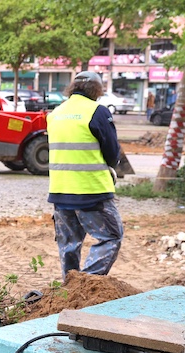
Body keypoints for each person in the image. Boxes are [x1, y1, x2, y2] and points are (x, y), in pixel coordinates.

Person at [45, 71, 124, 279]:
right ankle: (86, 283)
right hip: (92, 191)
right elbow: (112, 154)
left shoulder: (55, 114)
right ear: (97, 90)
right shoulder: (97, 112)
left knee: (68, 245)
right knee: (111, 237)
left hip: (60, 192)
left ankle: (70, 287)